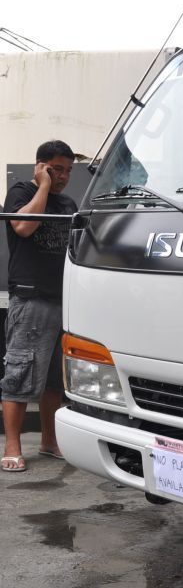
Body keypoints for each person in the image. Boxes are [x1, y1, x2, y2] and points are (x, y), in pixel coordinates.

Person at [1, 140, 78, 472]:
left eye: (68, 171)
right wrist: (43, 186)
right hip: (31, 300)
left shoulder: (68, 204)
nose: (63, 177)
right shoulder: (21, 193)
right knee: (20, 373)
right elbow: (24, 226)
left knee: (54, 380)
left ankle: (49, 441)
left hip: (63, 300)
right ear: (42, 166)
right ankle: (12, 445)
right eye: (57, 169)